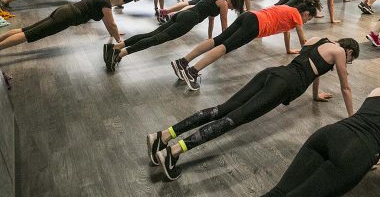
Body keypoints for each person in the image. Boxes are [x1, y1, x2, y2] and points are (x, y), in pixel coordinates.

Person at [148, 37, 359, 180]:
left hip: (273, 73)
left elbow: (312, 69)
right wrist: (353, 118)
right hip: (284, 85)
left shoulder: (319, 41)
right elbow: (346, 87)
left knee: (223, 109)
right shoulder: (340, 52)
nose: (347, 62)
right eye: (350, 60)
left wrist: (315, 95)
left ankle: (164, 135)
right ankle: (174, 152)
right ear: (349, 51)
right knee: (234, 119)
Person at [261, 87, 380, 197]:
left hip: (328, 134)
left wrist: (370, 159)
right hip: (354, 153)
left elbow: (370, 121)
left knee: (277, 192)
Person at [171, 0, 321, 90]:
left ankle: (183, 62)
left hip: (249, 15)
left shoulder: (290, 10)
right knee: (225, 47)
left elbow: (286, 32)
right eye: (309, 18)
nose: (306, 21)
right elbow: (304, 42)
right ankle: (192, 72)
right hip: (255, 25)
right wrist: (315, 55)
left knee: (218, 40)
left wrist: (288, 50)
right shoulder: (298, 17)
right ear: (306, 13)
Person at [105, 0, 245, 70]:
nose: (232, 9)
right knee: (156, 39)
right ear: (233, 2)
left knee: (152, 35)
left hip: (184, 14)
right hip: (188, 20)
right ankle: (120, 54)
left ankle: (118, 46)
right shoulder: (224, 4)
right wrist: (227, 43)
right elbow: (225, 27)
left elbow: (210, 18)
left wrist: (210, 37)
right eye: (234, 7)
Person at [0, 0, 125, 51]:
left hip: (64, 11)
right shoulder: (106, 4)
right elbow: (112, 24)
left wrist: (113, 34)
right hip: (66, 17)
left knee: (26, 30)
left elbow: (107, 23)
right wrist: (119, 41)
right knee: (30, 34)